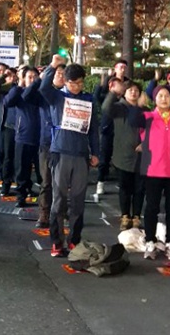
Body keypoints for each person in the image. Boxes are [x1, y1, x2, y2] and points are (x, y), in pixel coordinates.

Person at [40, 55, 99, 257]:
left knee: (78, 201)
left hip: (81, 154)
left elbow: (94, 129)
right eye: (73, 83)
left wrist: (95, 152)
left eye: (80, 83)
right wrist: (53, 66)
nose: (77, 87)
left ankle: (74, 240)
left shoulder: (89, 99)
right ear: (65, 81)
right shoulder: (57, 97)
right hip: (60, 152)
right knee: (59, 200)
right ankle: (57, 242)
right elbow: (43, 88)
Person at [129, 85, 170, 260]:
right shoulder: (147, 118)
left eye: (167, 96)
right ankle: (150, 240)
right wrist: (139, 105)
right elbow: (132, 120)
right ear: (155, 99)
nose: (164, 98)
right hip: (152, 170)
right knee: (151, 208)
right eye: (160, 96)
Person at [23, 64, 64, 228]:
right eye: (57, 73)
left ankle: (61, 211)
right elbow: (26, 96)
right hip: (47, 143)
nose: (60, 76)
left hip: (65, 144)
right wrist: (42, 76)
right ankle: (44, 213)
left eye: (63, 74)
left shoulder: (69, 95)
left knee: (62, 183)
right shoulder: (44, 94)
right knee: (46, 181)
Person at [102, 79, 145, 231]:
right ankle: (125, 215)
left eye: (136, 90)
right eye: (130, 90)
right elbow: (106, 107)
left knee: (140, 189)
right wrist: (114, 92)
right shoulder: (119, 108)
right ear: (124, 93)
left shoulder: (144, 109)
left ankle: (137, 216)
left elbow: (152, 130)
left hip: (142, 157)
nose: (133, 92)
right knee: (125, 188)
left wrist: (145, 144)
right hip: (123, 155)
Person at [94, 60, 130, 195]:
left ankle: (122, 184)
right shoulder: (108, 84)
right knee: (105, 154)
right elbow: (98, 98)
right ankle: (100, 181)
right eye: (120, 67)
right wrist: (104, 84)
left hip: (122, 126)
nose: (122, 69)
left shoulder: (128, 84)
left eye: (124, 67)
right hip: (108, 125)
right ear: (115, 68)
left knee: (122, 156)